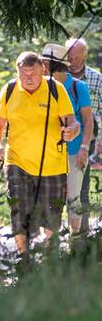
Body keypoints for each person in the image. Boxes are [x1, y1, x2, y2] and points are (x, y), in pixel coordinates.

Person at [0, 51, 79, 254]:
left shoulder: (55, 89)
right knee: (19, 211)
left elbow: (72, 122)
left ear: (44, 71)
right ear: (17, 72)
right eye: (24, 74)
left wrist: (70, 132)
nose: (28, 79)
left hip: (52, 165)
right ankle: (24, 260)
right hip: (17, 162)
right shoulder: (10, 89)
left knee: (52, 218)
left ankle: (48, 260)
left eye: (33, 74)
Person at [40, 44, 93, 234]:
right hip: (50, 154)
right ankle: (51, 244)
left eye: (45, 64)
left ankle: (74, 240)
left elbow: (88, 120)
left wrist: (84, 148)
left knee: (73, 197)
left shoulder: (78, 87)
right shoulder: (42, 87)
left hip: (74, 151)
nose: (42, 68)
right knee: (51, 198)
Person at [66, 37, 101, 232]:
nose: (73, 61)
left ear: (85, 56)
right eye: (70, 57)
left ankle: (82, 235)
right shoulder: (58, 78)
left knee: (82, 189)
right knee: (60, 188)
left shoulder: (96, 78)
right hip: (63, 139)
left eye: (78, 57)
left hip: (89, 138)